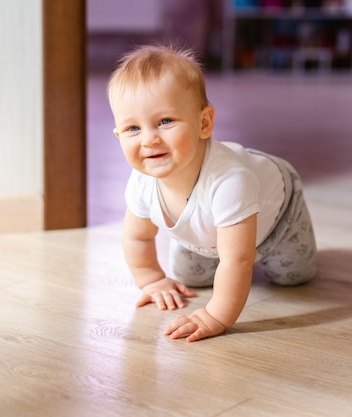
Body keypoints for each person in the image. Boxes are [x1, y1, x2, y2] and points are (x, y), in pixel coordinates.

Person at [107, 44, 317, 342]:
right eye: (132, 129)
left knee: (293, 278)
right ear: (118, 135)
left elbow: (238, 260)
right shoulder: (142, 180)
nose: (149, 140)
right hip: (204, 235)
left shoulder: (231, 181)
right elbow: (137, 236)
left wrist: (215, 316)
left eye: (165, 121)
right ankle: (215, 247)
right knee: (190, 279)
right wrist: (152, 281)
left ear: (203, 123)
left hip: (278, 215)